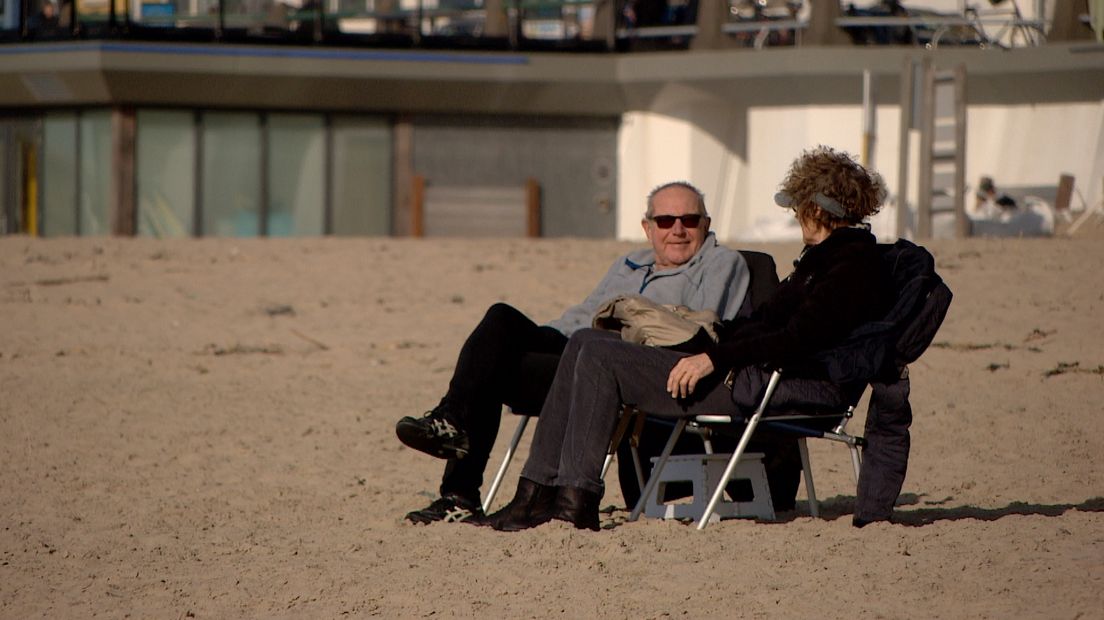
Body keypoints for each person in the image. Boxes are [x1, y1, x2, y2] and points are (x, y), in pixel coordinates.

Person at [484, 145, 896, 532]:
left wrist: (714, 359)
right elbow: (762, 323)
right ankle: (536, 490)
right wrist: (707, 345)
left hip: (770, 388)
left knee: (596, 354)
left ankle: (575, 499)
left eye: (800, 208)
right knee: (584, 343)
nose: (796, 218)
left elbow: (793, 338)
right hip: (749, 374)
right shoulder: (820, 263)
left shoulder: (850, 270)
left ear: (817, 210)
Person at [396, 181, 751, 524]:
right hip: (573, 344)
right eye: (665, 221)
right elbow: (587, 311)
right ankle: (453, 445)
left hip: (621, 365)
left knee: (494, 367)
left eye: (689, 220)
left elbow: (706, 330)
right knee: (499, 324)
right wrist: (546, 337)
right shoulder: (631, 262)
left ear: (705, 224)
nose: (677, 230)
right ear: (647, 227)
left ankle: (458, 476)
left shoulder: (721, 262)